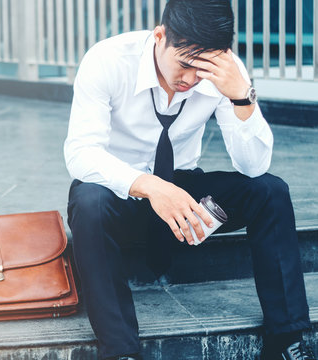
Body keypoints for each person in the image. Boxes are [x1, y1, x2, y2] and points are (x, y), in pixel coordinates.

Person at [64, 1, 314, 359]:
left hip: (184, 194)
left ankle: (286, 342)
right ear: (160, 36)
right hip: (122, 193)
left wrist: (241, 96)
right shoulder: (107, 61)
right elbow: (81, 153)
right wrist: (150, 186)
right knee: (88, 201)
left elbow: (255, 166)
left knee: (270, 192)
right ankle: (121, 351)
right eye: (184, 65)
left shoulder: (225, 73)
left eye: (203, 70)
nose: (192, 80)